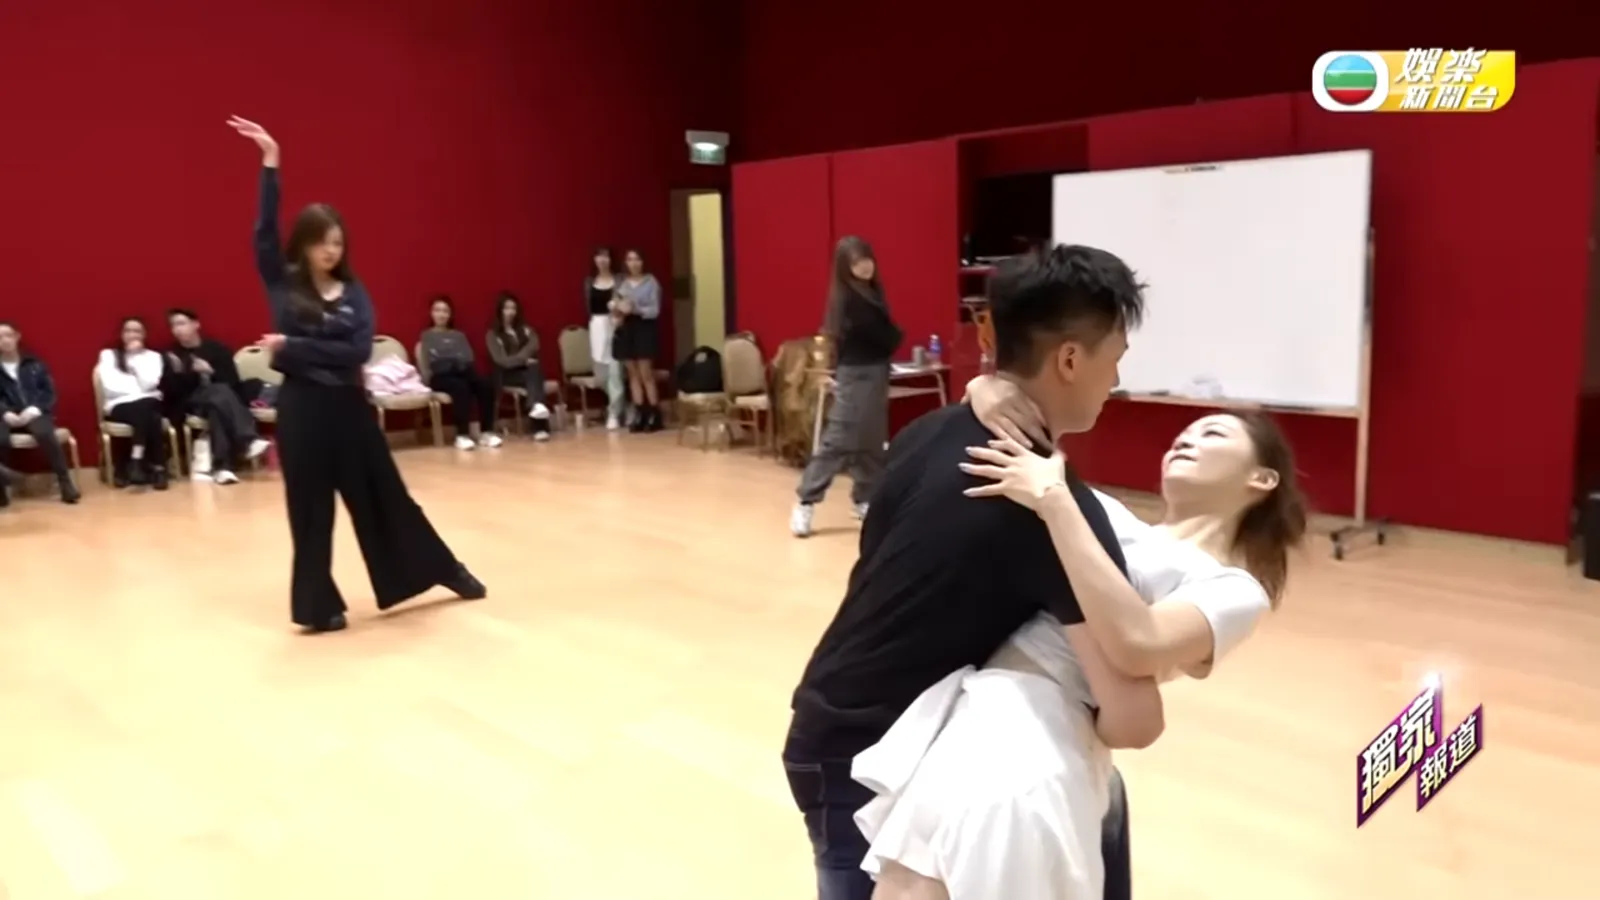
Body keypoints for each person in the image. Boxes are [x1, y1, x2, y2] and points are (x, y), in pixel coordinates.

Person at [782, 245, 1145, 900]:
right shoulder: (1051, 508)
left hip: (824, 720)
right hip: (875, 756)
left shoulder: (924, 433)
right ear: (1069, 359)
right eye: (1114, 359)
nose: (1115, 380)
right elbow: (1131, 715)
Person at [858, 395, 1308, 899]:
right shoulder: (1104, 512)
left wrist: (1055, 502)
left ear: (1261, 479)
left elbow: (1141, 641)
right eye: (1186, 432)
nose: (1187, 438)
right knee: (905, 884)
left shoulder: (1232, 587)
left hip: (1043, 730)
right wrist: (987, 389)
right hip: (970, 706)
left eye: (1214, 433)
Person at [229, 114, 486, 633]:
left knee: (386, 495)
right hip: (302, 409)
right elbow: (263, 234)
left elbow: (356, 350)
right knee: (309, 510)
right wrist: (271, 163)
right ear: (305, 243)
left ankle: (441, 568)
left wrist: (292, 346)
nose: (332, 250)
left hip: (348, 408)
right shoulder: (283, 284)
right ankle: (318, 606)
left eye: (339, 243)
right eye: (323, 241)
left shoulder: (354, 293)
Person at [790, 237, 903, 538]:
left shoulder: (872, 294)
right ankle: (805, 501)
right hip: (857, 376)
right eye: (856, 262)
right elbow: (886, 337)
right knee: (838, 442)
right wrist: (892, 337)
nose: (864, 266)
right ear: (845, 267)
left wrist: (891, 338)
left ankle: (865, 499)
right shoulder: (851, 301)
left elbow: (886, 338)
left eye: (867, 259)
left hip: (876, 373)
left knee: (871, 441)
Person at [163, 307, 271, 484]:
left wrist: (210, 372)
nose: (177, 329)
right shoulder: (172, 355)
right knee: (219, 393)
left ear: (196, 324)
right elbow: (172, 393)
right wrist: (184, 374)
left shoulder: (217, 349)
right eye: (173, 325)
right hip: (191, 403)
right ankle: (247, 439)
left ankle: (222, 467)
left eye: (181, 323)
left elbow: (233, 383)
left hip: (219, 402)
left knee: (217, 405)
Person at [0, 322, 81, 505]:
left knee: (45, 433)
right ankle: (1, 490)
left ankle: (65, 483)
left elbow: (49, 393)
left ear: (17, 337)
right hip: (5, 415)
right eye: (0, 337)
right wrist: (5, 413)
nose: (4, 340)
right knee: (0, 438)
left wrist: (35, 409)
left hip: (34, 411)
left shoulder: (34, 364)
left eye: (8, 335)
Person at [95, 317, 171, 490]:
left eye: (137, 331)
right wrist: (137, 389)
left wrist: (135, 363)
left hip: (149, 401)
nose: (132, 335)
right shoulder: (109, 355)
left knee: (146, 407)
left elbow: (149, 384)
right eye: (128, 331)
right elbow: (111, 387)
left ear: (144, 335)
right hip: (120, 404)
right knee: (151, 415)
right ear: (122, 334)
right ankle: (157, 467)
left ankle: (129, 464)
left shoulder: (154, 357)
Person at [420, 294, 503, 450]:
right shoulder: (427, 335)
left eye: (445, 311)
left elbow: (467, 357)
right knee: (461, 387)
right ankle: (462, 435)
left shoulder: (459, 335)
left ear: (450, 315)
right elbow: (433, 359)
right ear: (431, 313)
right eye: (437, 310)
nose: (441, 314)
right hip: (440, 375)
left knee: (485, 384)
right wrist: (453, 358)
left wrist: (450, 358)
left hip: (463, 372)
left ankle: (487, 432)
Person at [485, 291, 553, 441]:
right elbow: (502, 360)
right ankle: (539, 425)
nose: (510, 312)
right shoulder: (492, 334)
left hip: (527, 372)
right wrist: (523, 360)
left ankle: (536, 407)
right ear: (500, 311)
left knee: (534, 370)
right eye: (507, 308)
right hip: (506, 375)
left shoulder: (525, 330)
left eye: (513, 308)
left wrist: (520, 359)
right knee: (534, 373)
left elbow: (535, 344)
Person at [612, 249, 664, 433]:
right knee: (632, 374)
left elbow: (654, 310)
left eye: (637, 259)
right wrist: (617, 309)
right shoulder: (622, 283)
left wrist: (635, 308)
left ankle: (654, 413)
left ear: (643, 262)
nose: (633, 263)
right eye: (630, 260)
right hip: (626, 329)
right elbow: (616, 305)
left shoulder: (651, 282)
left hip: (644, 327)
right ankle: (639, 412)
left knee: (646, 373)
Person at [583, 247, 628, 430]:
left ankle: (614, 413)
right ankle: (624, 405)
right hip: (597, 327)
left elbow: (626, 300)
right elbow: (588, 306)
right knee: (601, 375)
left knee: (615, 371)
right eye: (599, 256)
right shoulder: (589, 282)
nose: (602, 260)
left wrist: (618, 311)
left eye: (606, 256)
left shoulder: (619, 280)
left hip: (615, 325)